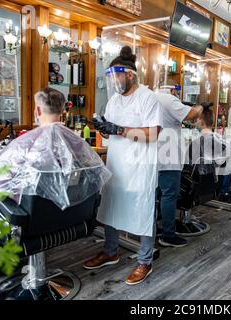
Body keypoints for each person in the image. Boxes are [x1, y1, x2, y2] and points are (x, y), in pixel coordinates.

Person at [83, 46, 162, 286]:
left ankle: (145, 260)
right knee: (111, 205)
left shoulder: (147, 97)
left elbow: (153, 134)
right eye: (111, 77)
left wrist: (120, 130)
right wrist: (103, 128)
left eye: (117, 76)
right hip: (118, 163)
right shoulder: (113, 101)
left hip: (140, 166)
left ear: (129, 75)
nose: (114, 81)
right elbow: (110, 135)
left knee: (143, 209)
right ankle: (110, 251)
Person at [0, 87, 110, 210]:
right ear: (63, 110)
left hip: (32, 216)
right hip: (70, 219)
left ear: (37, 110)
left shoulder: (25, 144)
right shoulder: (78, 143)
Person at [155, 85, 203, 248]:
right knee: (169, 194)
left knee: (159, 193)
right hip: (169, 155)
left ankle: (158, 227)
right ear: (173, 91)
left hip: (155, 153)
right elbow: (192, 115)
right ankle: (168, 235)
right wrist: (201, 106)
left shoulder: (151, 98)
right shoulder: (169, 99)